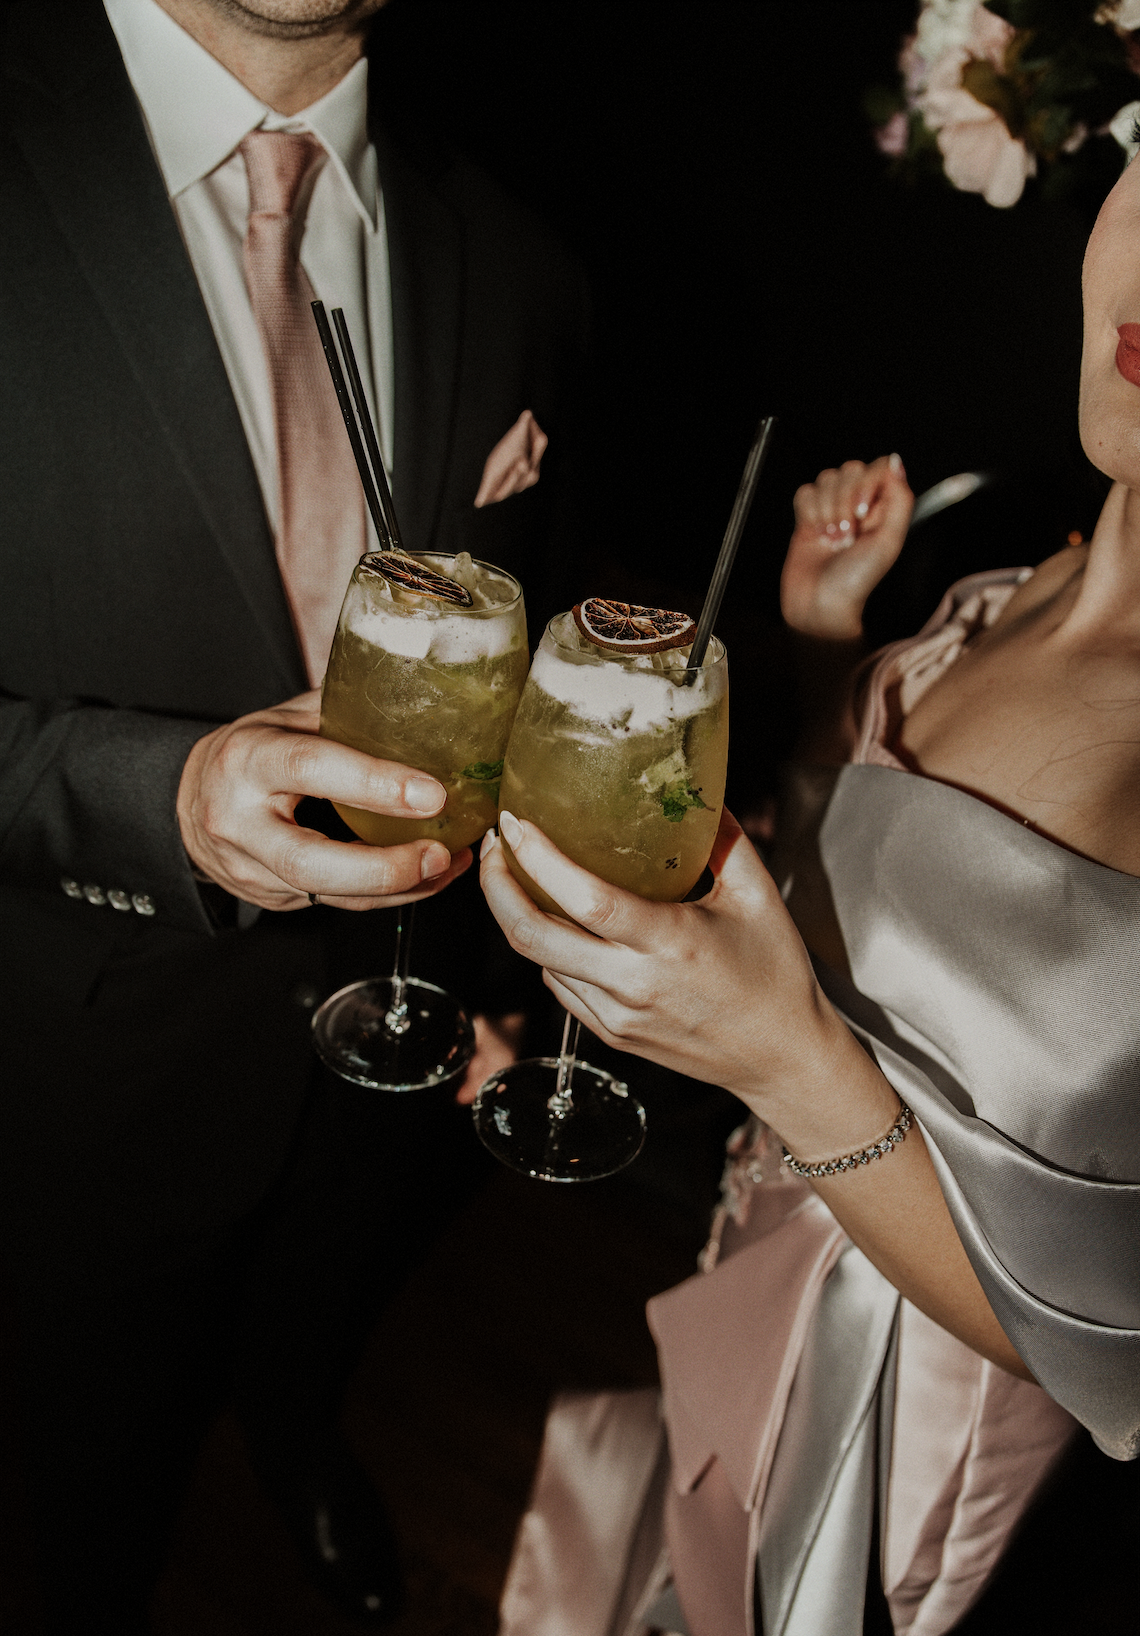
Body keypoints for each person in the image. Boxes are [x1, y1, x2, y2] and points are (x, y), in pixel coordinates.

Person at [480, 149, 1140, 1635]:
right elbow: (880, 871)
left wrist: (782, 1057)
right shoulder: (1029, 572)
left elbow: (1121, 1357)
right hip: (765, 1227)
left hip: (904, 1412)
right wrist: (827, 641)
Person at [0, 0, 586, 1628]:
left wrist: (493, 972)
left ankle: (298, 1438)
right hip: (83, 1061)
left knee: (323, 1298)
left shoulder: (520, 257)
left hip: (394, 1019)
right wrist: (165, 795)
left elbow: (512, 654)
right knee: (95, 1458)